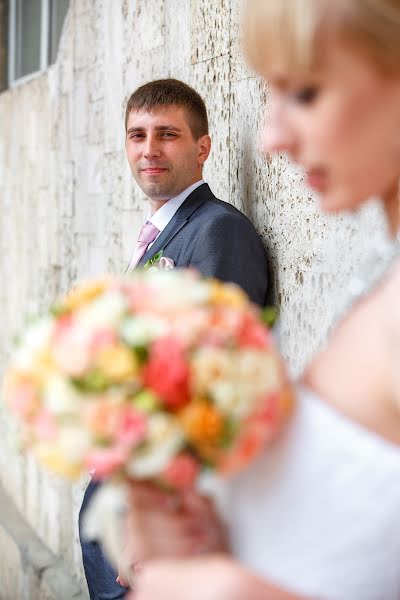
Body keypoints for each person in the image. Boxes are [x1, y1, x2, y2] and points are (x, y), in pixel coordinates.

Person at [124, 2, 400, 599]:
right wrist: (219, 531)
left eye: (303, 92)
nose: (271, 137)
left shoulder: (219, 231)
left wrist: (229, 589)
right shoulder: (381, 282)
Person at [78, 77, 269, 600]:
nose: (149, 150)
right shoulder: (167, 232)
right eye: (137, 135)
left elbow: (213, 383)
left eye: (167, 134)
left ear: (202, 147)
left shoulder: (217, 231)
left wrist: (160, 520)